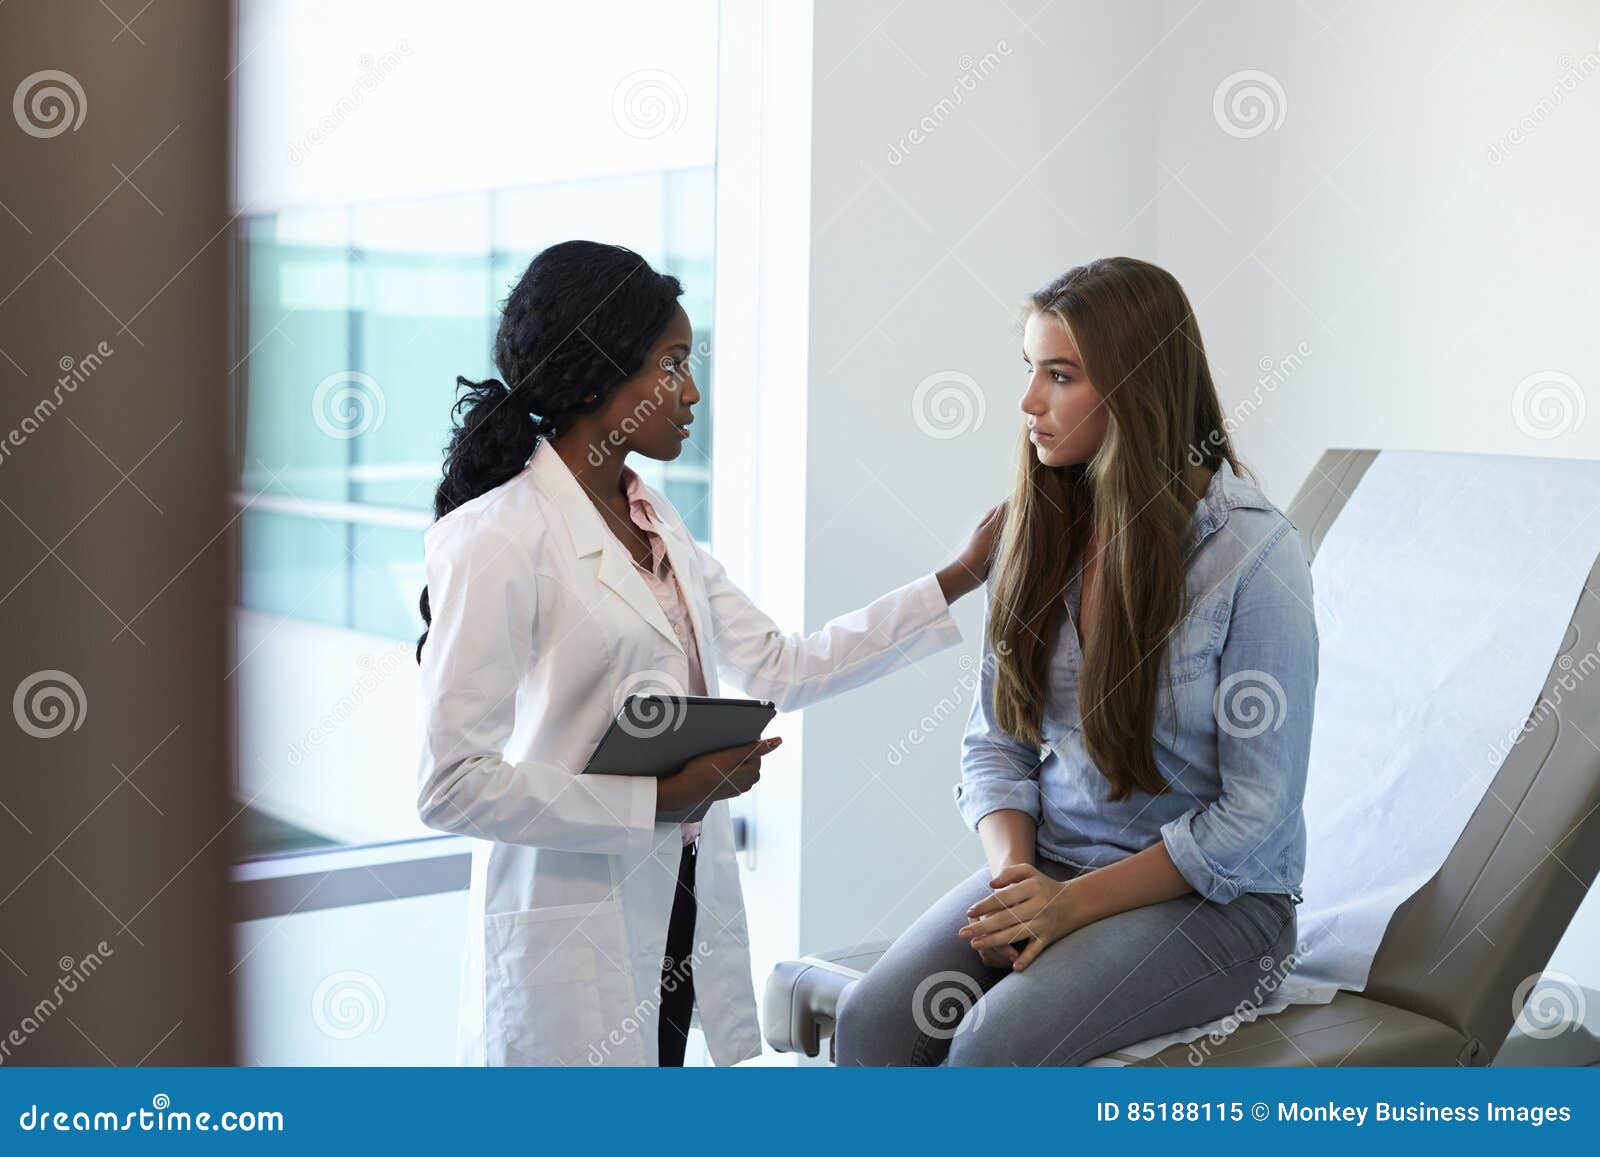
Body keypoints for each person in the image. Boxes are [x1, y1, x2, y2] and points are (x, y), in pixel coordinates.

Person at [414, 240, 1000, 1066]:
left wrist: (958, 576)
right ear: (596, 376)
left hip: (680, 899)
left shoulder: (654, 521)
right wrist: (656, 797)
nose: (692, 392)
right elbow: (450, 785)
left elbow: (783, 667)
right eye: (671, 364)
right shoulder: (499, 537)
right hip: (572, 920)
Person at [835, 256, 1318, 1066]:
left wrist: (1070, 905)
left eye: (1059, 375)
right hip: (1053, 863)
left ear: (1137, 386)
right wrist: (1018, 883)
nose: (1028, 402)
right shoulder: (1042, 526)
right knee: (873, 1023)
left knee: (995, 1047)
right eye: (1030, 370)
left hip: (1219, 904)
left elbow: (1254, 818)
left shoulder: (1253, 555)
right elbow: (997, 743)